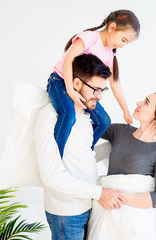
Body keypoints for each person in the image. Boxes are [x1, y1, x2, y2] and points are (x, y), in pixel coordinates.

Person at [34, 53, 124, 240]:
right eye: (95, 90)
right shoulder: (51, 117)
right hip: (66, 213)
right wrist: (99, 193)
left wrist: (116, 148)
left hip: (87, 205)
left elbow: (81, 154)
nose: (99, 98)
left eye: (103, 91)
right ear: (76, 84)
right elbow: (51, 177)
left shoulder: (85, 115)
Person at [87, 90, 156, 240]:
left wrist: (114, 197)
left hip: (133, 225)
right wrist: (90, 93)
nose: (138, 103)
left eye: (146, 102)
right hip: (103, 217)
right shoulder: (120, 131)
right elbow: (88, 125)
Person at [48, 9, 140, 158]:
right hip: (59, 81)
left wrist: (125, 110)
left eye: (126, 43)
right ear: (112, 28)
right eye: (123, 40)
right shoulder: (90, 38)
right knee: (69, 115)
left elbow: (115, 82)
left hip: (82, 89)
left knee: (104, 121)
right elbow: (68, 60)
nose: (123, 45)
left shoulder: (110, 54)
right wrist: (70, 90)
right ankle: (55, 159)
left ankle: (84, 153)